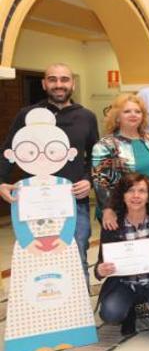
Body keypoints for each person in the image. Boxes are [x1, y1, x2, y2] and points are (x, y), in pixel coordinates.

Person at [0, 63, 98, 283]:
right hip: (35, 203)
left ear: (72, 83)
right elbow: (8, 151)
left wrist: (88, 180)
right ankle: (47, 313)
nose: (59, 84)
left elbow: (96, 156)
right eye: (52, 79)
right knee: (38, 259)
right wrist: (0, 181)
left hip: (75, 202)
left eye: (64, 79)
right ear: (44, 84)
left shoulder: (86, 117)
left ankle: (77, 313)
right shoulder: (26, 115)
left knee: (76, 255)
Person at [95, 174, 149, 336]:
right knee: (110, 314)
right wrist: (100, 270)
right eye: (130, 191)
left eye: (142, 191)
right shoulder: (112, 223)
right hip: (123, 282)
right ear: (122, 196)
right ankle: (129, 312)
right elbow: (100, 263)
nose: (136, 196)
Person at [92, 93, 149, 230]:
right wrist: (107, 209)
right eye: (127, 111)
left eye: (137, 111)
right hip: (117, 210)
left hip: (148, 207)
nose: (133, 114)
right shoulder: (105, 144)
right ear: (117, 117)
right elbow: (100, 181)